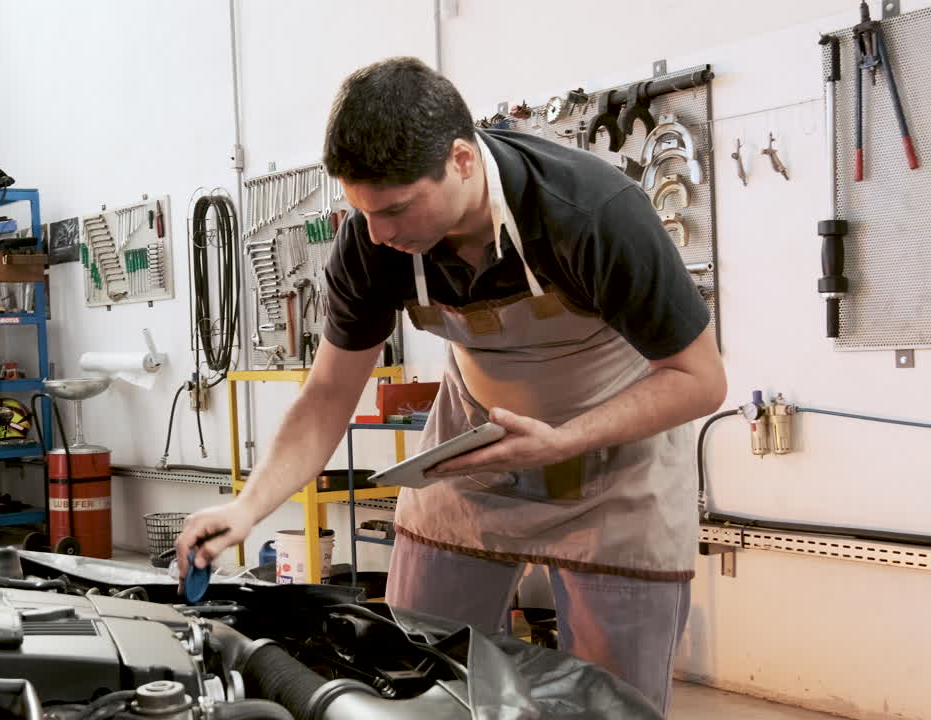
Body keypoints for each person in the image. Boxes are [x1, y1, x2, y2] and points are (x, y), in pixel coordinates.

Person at [175, 56, 726, 713]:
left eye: (397, 208)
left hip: (616, 461)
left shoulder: (591, 214)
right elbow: (327, 395)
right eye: (363, 211)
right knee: (408, 672)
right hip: (475, 451)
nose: (378, 233)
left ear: (462, 160)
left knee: (611, 702)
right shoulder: (373, 244)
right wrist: (245, 509)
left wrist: (561, 441)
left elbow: (699, 380)